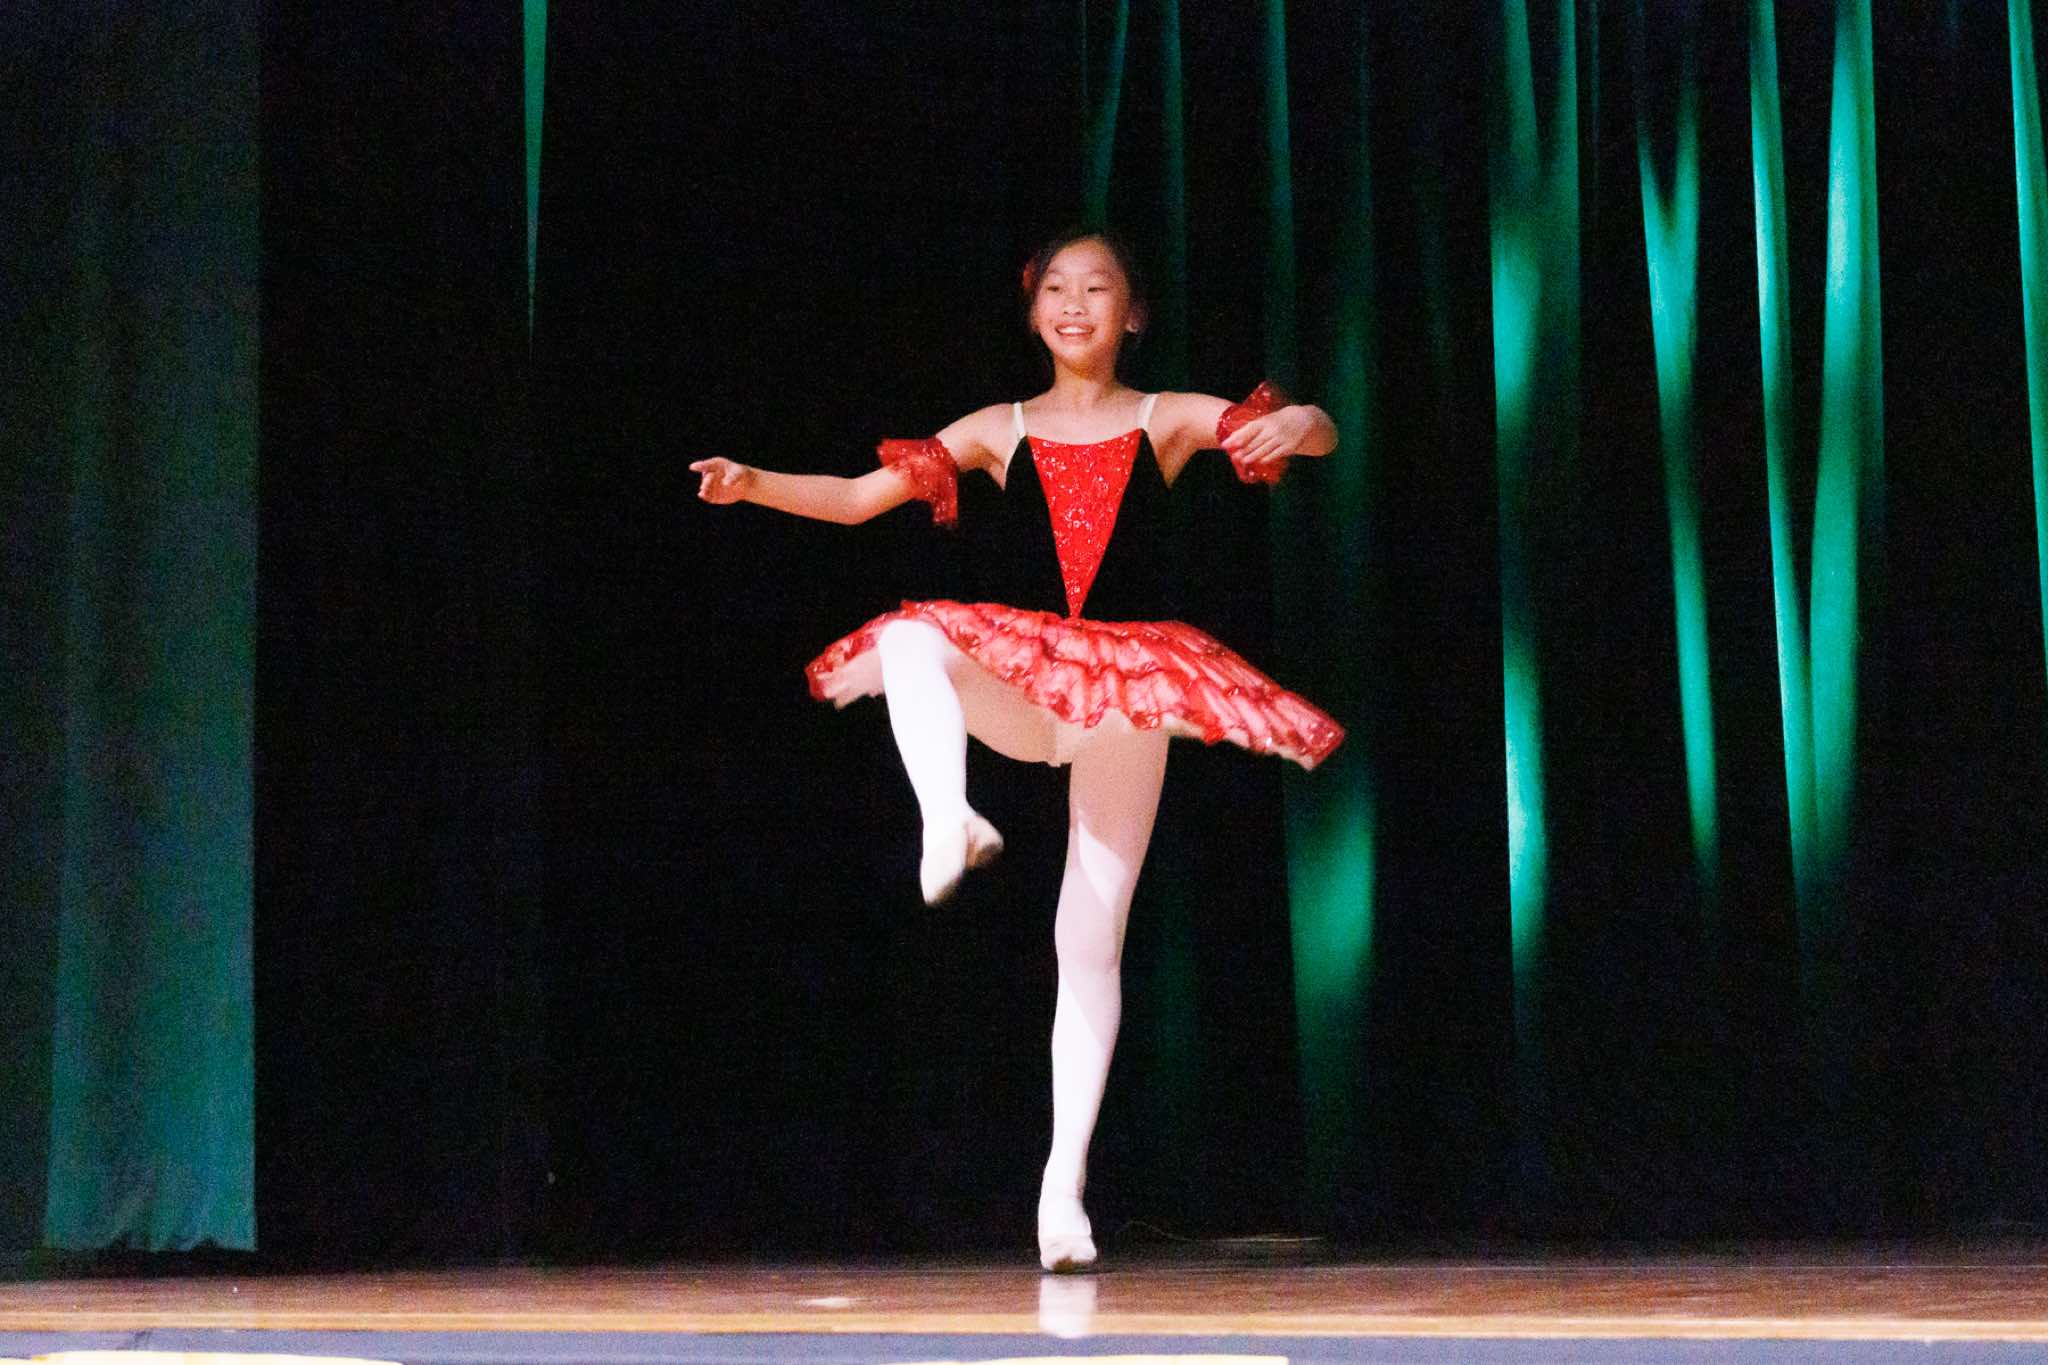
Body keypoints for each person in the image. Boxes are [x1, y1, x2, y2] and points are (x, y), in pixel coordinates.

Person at [690, 230, 1342, 1272]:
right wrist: (751, 481)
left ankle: (1061, 1190)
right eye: (1055, 289)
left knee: (1087, 940)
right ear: (1032, 310)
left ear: (1132, 313)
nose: (1074, 304)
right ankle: (948, 816)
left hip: (1128, 693)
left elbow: (1308, 434)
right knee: (911, 636)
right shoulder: (999, 428)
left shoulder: (1162, 415)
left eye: (1097, 288)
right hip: (1028, 683)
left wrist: (1300, 422)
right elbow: (857, 499)